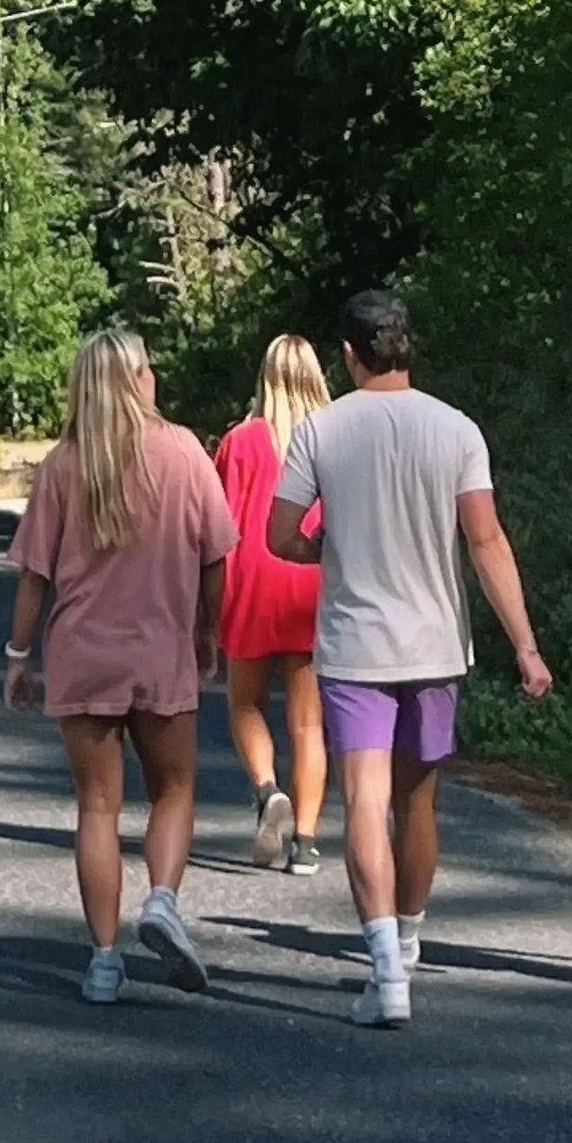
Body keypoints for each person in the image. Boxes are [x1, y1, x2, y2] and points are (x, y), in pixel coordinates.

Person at [266, 288, 553, 1029]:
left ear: (349, 354)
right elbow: (485, 541)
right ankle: (412, 933)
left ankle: (386, 972)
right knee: (417, 802)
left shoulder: (322, 430)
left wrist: (322, 548)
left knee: (363, 801)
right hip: (434, 645)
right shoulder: (457, 430)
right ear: (406, 347)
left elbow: (279, 534)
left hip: (355, 646)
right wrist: (525, 645)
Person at [6, 330, 237, 1003]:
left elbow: (33, 577)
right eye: (149, 369)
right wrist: (208, 630)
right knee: (174, 789)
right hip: (162, 649)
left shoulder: (62, 464)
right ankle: (162, 899)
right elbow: (217, 556)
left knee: (98, 807)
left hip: (82, 655)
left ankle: (104, 961)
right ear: (137, 379)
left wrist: (18, 656)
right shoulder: (184, 452)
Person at [214, 334, 334, 873]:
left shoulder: (240, 441)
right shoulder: (334, 436)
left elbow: (219, 522)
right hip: (314, 580)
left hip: (253, 582)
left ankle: (268, 790)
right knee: (308, 725)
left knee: (245, 704)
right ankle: (304, 845)